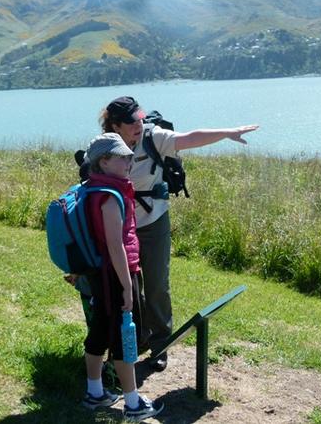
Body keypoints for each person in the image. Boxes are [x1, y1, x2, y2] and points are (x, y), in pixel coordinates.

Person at [99, 96, 259, 371]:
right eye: (131, 122)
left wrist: (227, 133)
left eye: (140, 118)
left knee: (158, 284)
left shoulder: (153, 137)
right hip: (121, 227)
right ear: (115, 125)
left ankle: (160, 344)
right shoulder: (105, 148)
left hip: (154, 222)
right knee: (129, 287)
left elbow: (189, 138)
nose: (138, 125)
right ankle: (135, 340)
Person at [81, 132, 164, 421]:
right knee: (124, 339)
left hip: (99, 274)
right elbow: (115, 245)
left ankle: (95, 392)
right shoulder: (111, 197)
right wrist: (128, 287)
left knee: (101, 330)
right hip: (118, 274)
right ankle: (132, 404)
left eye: (130, 155)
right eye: (122, 157)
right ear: (104, 162)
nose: (129, 160)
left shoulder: (91, 188)